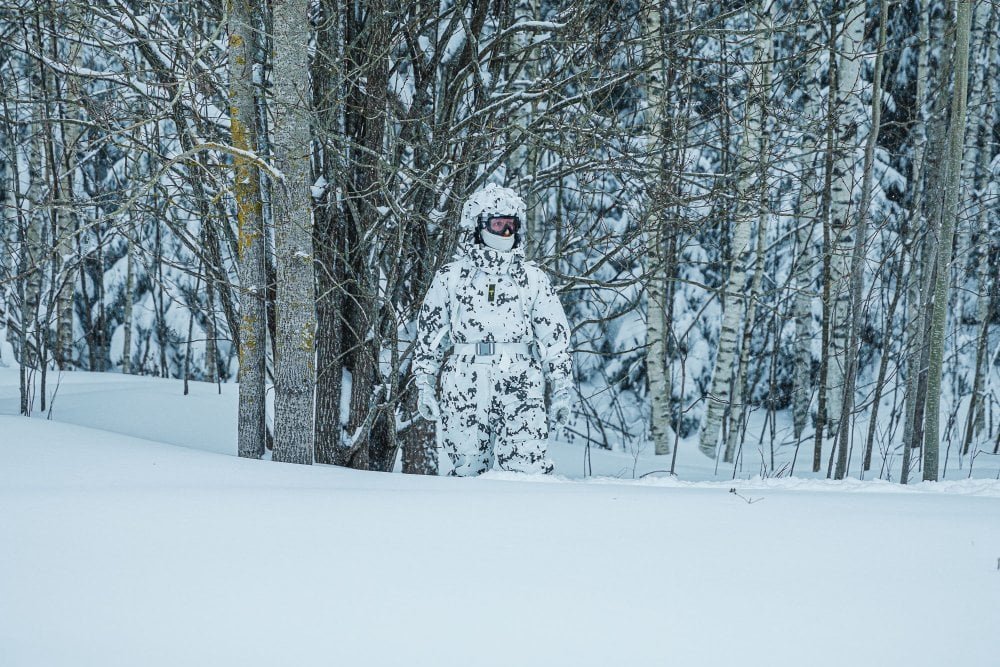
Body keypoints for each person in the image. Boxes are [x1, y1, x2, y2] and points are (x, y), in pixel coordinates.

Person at [414, 184, 574, 476]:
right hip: (464, 381)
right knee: (467, 472)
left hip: (520, 381)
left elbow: (554, 338)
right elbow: (430, 335)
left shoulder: (532, 279)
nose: (504, 233)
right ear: (478, 224)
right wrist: (424, 383)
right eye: (497, 224)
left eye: (510, 225)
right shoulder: (451, 277)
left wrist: (561, 387)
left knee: (528, 470)